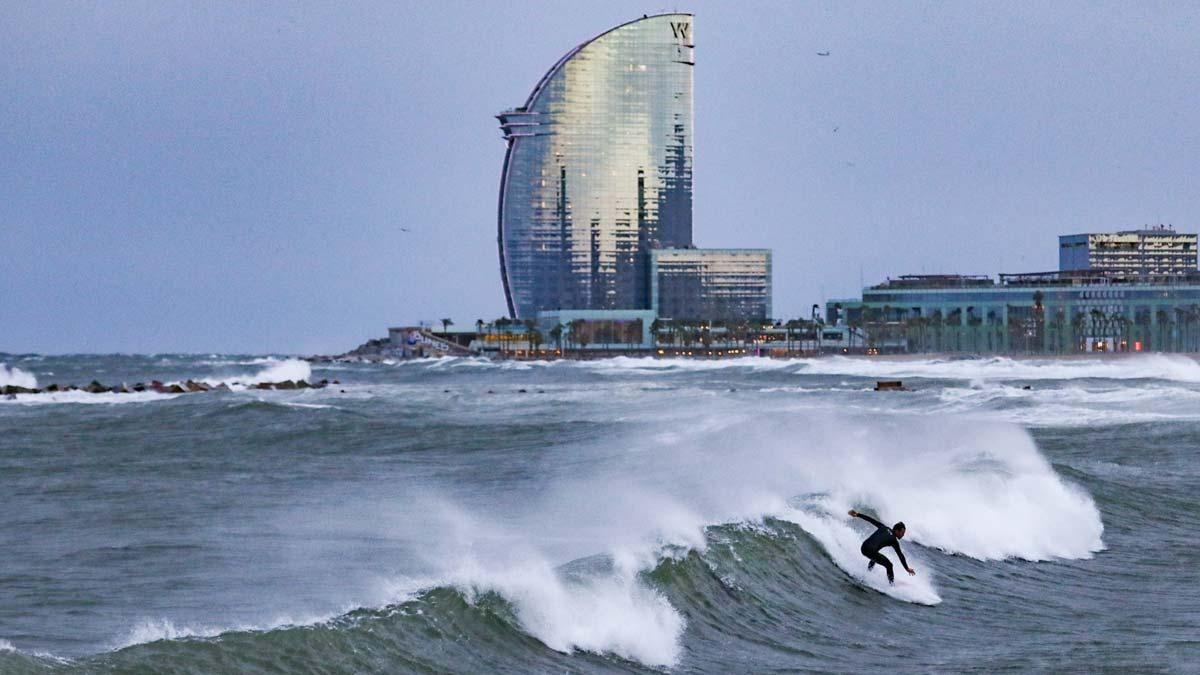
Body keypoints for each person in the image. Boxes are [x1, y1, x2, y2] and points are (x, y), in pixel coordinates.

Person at [848, 510, 916, 584]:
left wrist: (857, 514)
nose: (903, 535)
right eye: (902, 533)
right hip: (870, 551)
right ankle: (891, 585)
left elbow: (871, 520)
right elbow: (900, 555)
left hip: (864, 547)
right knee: (889, 565)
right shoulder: (894, 540)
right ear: (896, 530)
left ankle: (867, 572)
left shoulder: (884, 527)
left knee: (875, 556)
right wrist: (907, 568)